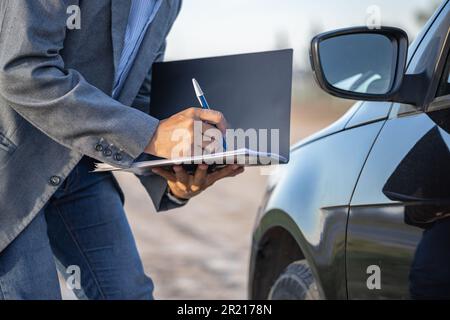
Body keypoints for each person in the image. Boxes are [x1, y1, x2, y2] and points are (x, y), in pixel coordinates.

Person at [0, 0, 244, 300]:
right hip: (10, 165)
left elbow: (136, 95)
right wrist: (153, 134)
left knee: (129, 293)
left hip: (80, 166)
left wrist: (173, 173)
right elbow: (22, 70)